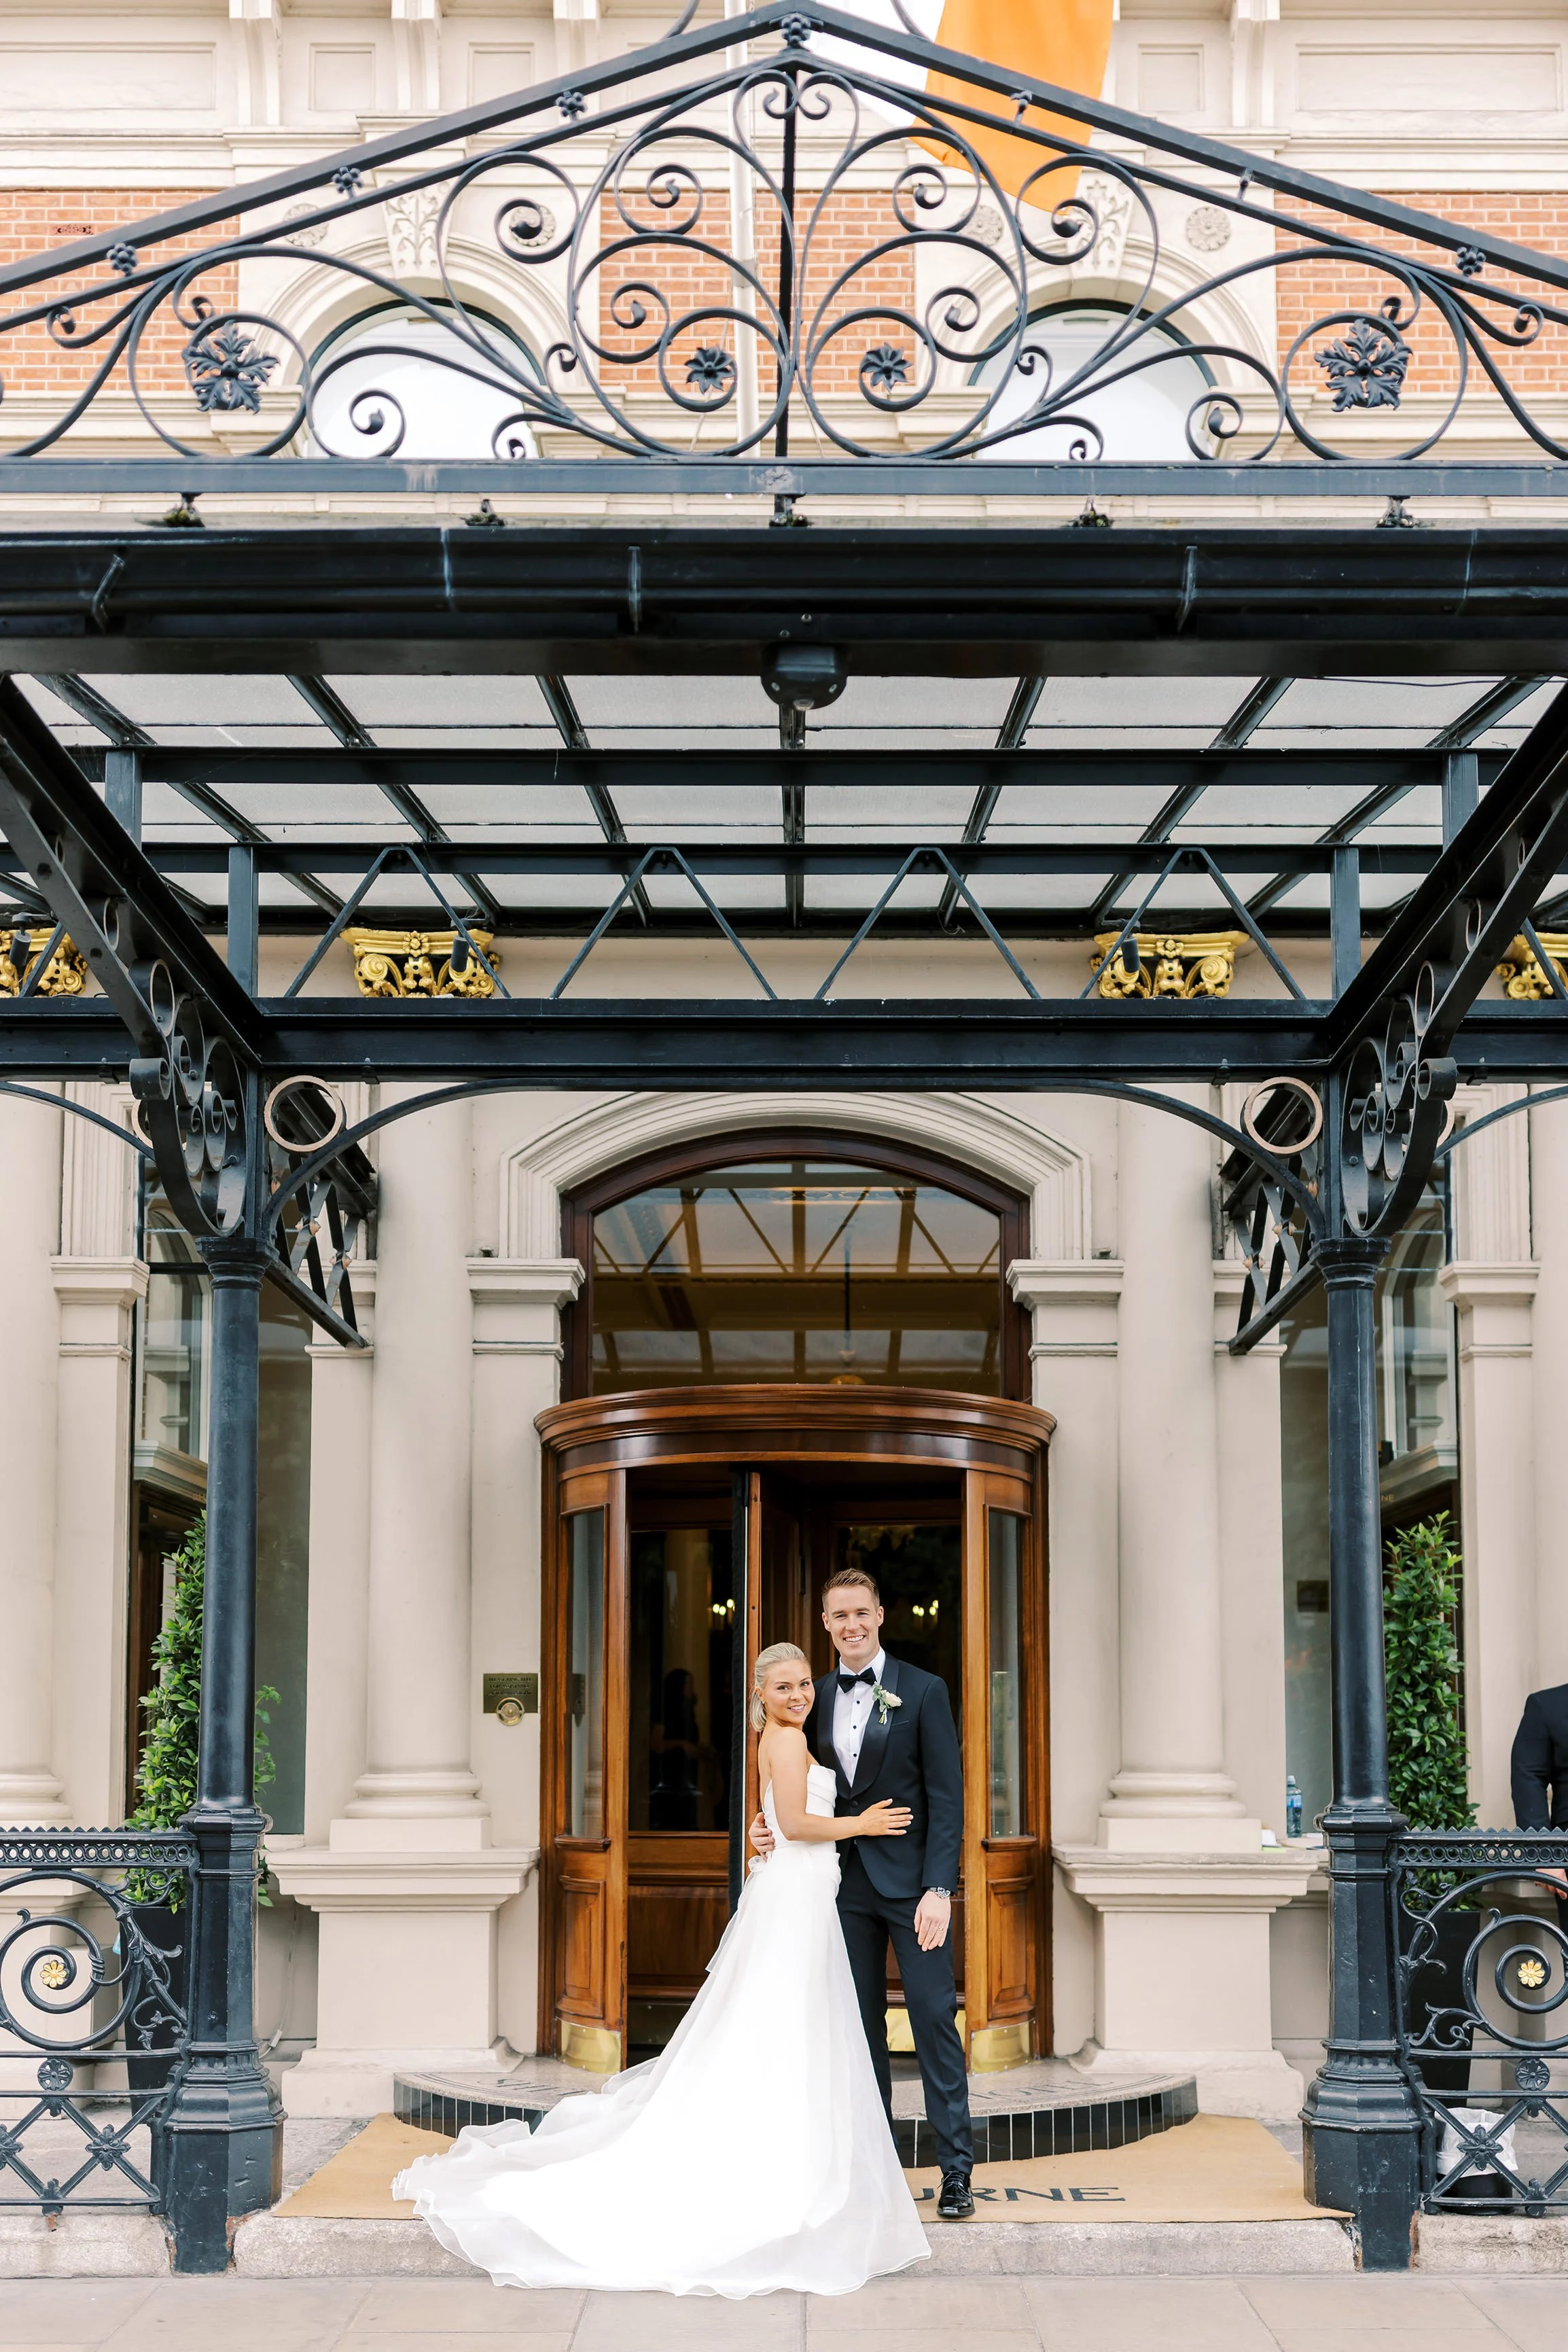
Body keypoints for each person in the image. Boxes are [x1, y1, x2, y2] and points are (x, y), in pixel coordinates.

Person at [391, 1641, 929, 2297]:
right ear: (758, 1694)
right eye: (783, 1687)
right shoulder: (786, 1743)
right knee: (786, 2024)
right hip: (796, 1897)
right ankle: (782, 2161)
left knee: (781, 2025)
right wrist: (864, 1823)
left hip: (800, 1891)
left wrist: (776, 1831)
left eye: (802, 1685)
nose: (798, 1695)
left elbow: (774, 1822)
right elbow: (793, 1820)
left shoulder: (785, 1740)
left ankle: (788, 2151)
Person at [750, 1568, 974, 2220]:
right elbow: (787, 1782)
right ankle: (872, 2170)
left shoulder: (924, 1691)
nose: (850, 1624)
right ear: (825, 1624)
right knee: (857, 2030)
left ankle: (955, 2170)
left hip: (913, 1892)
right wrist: (762, 1826)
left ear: (880, 1614)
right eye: (838, 1615)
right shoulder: (808, 1696)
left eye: (861, 1612)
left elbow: (946, 1798)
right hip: (837, 1890)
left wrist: (939, 1886)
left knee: (934, 2021)